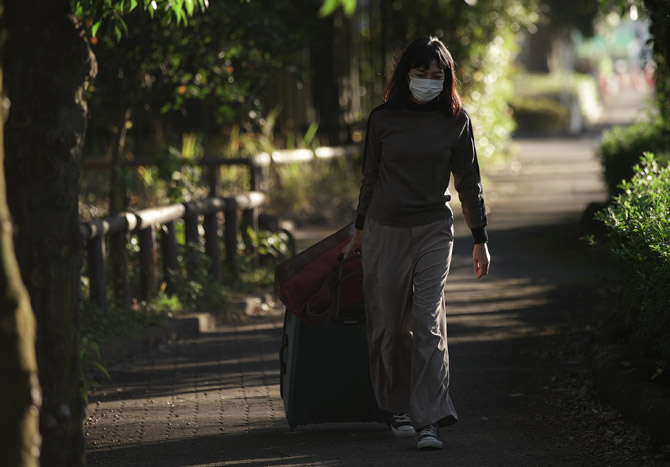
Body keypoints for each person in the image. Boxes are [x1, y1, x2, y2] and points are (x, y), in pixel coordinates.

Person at [342, 36, 491, 450]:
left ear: (447, 80)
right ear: (405, 74)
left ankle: (430, 419)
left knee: (427, 323)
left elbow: (469, 182)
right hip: (383, 231)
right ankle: (398, 408)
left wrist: (480, 239)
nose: (428, 81)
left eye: (436, 76)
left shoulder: (456, 121)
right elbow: (369, 179)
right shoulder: (382, 119)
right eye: (421, 73)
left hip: (433, 230)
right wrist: (358, 232)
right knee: (388, 327)